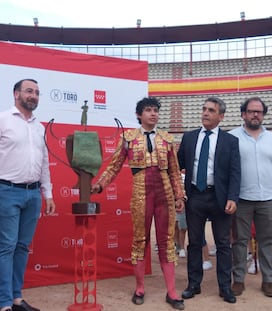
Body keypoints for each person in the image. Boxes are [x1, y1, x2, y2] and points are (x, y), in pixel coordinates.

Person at [91, 97, 186, 310]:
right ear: (139, 115)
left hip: (165, 194)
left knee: (167, 241)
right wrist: (100, 185)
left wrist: (180, 196)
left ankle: (171, 291)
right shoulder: (129, 138)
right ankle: (140, 287)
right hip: (141, 193)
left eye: (155, 110)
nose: (153, 114)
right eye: (148, 110)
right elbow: (114, 166)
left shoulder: (167, 139)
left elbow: (174, 170)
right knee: (140, 240)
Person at [0, 79, 56, 311]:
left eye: (36, 92)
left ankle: (16, 297)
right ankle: (3, 302)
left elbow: (44, 163)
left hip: (33, 194)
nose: (33, 96)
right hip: (5, 191)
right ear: (16, 94)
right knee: (6, 247)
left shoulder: (39, 126)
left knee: (22, 247)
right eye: (28, 91)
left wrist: (49, 193)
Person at [177, 96, 240, 304]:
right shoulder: (189, 137)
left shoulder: (231, 141)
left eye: (211, 110)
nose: (205, 113)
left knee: (223, 244)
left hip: (219, 198)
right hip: (195, 196)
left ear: (221, 116)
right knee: (194, 243)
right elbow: (177, 165)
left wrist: (232, 197)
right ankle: (193, 284)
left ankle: (225, 287)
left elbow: (235, 172)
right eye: (204, 109)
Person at [230, 96, 272, 298]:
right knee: (239, 241)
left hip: (267, 199)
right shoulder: (231, 137)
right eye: (251, 111)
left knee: (267, 241)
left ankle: (268, 280)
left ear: (263, 115)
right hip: (242, 199)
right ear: (243, 114)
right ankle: (238, 279)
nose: (255, 115)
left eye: (259, 112)